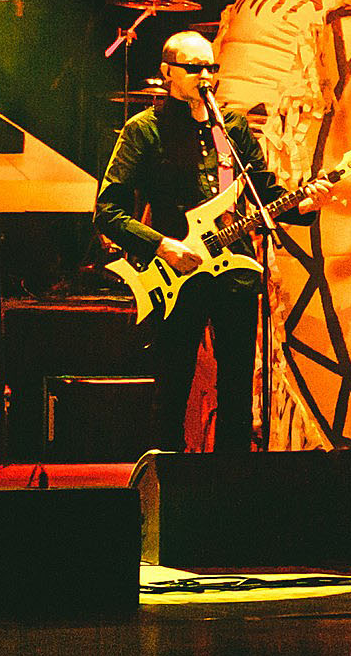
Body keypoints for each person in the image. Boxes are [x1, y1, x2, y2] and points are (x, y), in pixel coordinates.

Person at [95, 30, 305, 452]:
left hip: (235, 273)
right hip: (175, 274)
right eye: (194, 68)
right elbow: (108, 211)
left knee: (237, 391)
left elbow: (266, 194)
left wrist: (306, 203)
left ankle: (233, 480)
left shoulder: (232, 127)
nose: (205, 76)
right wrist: (163, 245)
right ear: (167, 73)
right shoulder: (145, 129)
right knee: (173, 386)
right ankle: (168, 480)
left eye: (211, 67)